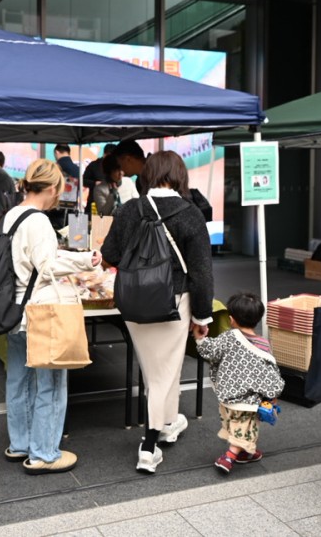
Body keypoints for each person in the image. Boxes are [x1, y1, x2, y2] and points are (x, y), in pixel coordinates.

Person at [100, 151, 214, 474]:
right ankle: (148, 446)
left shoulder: (130, 210)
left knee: (157, 369)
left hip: (134, 302)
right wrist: (202, 317)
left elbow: (110, 254)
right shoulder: (190, 213)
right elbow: (202, 272)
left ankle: (167, 423)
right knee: (164, 371)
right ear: (179, 175)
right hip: (174, 301)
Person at [2, 159, 100, 474]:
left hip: (14, 311)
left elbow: (37, 258)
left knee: (18, 380)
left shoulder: (13, 215)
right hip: (41, 311)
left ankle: (20, 445)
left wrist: (82, 258)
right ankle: (44, 453)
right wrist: (85, 264)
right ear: (53, 187)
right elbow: (46, 266)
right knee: (52, 383)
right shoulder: (40, 221)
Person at [193, 291, 284, 475]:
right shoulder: (264, 345)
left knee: (236, 426)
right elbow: (270, 375)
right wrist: (273, 396)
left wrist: (199, 337)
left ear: (231, 319)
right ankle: (229, 457)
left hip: (227, 397)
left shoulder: (227, 338)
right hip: (249, 401)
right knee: (246, 428)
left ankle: (247, 452)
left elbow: (209, 351)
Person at [82, 143, 116, 212]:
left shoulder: (116, 167)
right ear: (106, 154)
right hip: (94, 203)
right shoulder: (94, 165)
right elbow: (83, 181)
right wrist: (95, 183)